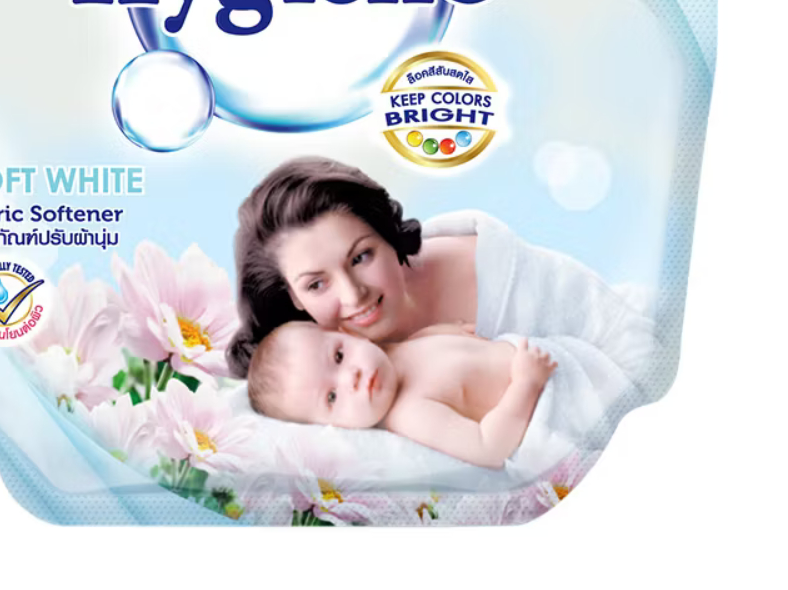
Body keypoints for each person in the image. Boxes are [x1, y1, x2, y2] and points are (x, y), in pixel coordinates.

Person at [227, 156, 657, 392]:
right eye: (317, 284)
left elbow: (629, 341)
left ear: (388, 236)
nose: (354, 295)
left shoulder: (495, 270)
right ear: (293, 296)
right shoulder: (304, 356)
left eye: (361, 257)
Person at [247, 320, 556, 468]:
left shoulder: (402, 344)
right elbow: (489, 447)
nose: (351, 378)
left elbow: (446, 345)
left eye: (339, 356)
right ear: (334, 427)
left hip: (544, 355)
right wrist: (526, 383)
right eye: (332, 397)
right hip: (545, 399)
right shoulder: (411, 414)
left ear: (349, 333)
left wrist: (456, 331)